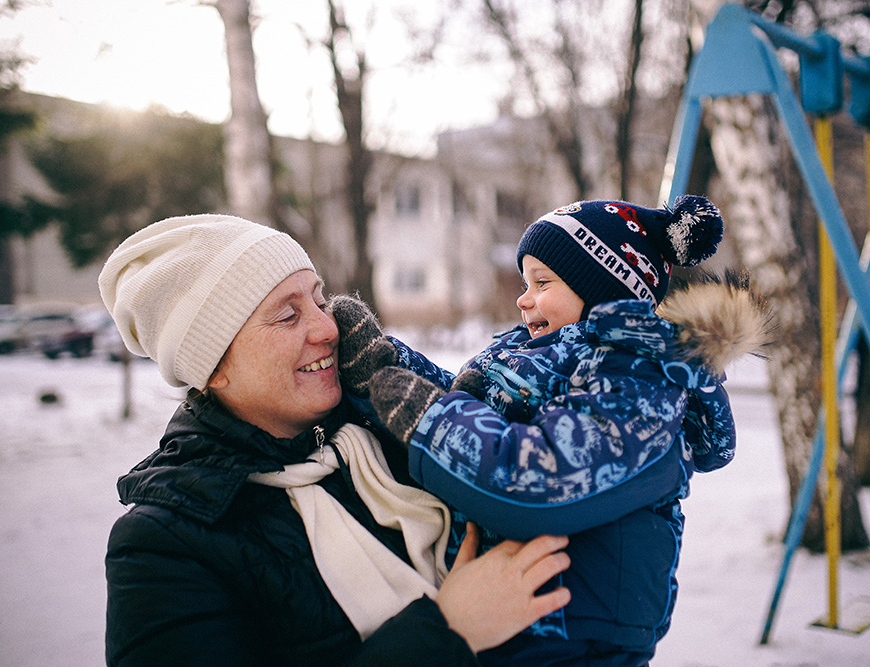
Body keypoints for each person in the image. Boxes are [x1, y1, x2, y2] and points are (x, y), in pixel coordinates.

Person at [96, 214, 572, 667]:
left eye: (320, 300)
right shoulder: (163, 547)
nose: (328, 328)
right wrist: (448, 632)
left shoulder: (396, 430)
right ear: (213, 368)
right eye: (287, 316)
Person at [331, 196, 770, 666]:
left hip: (575, 636)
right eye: (525, 282)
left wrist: (428, 419)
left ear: (604, 291)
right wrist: (381, 370)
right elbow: (473, 412)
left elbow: (544, 475)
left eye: (543, 282)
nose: (523, 298)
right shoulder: (545, 360)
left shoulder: (641, 382)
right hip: (519, 618)